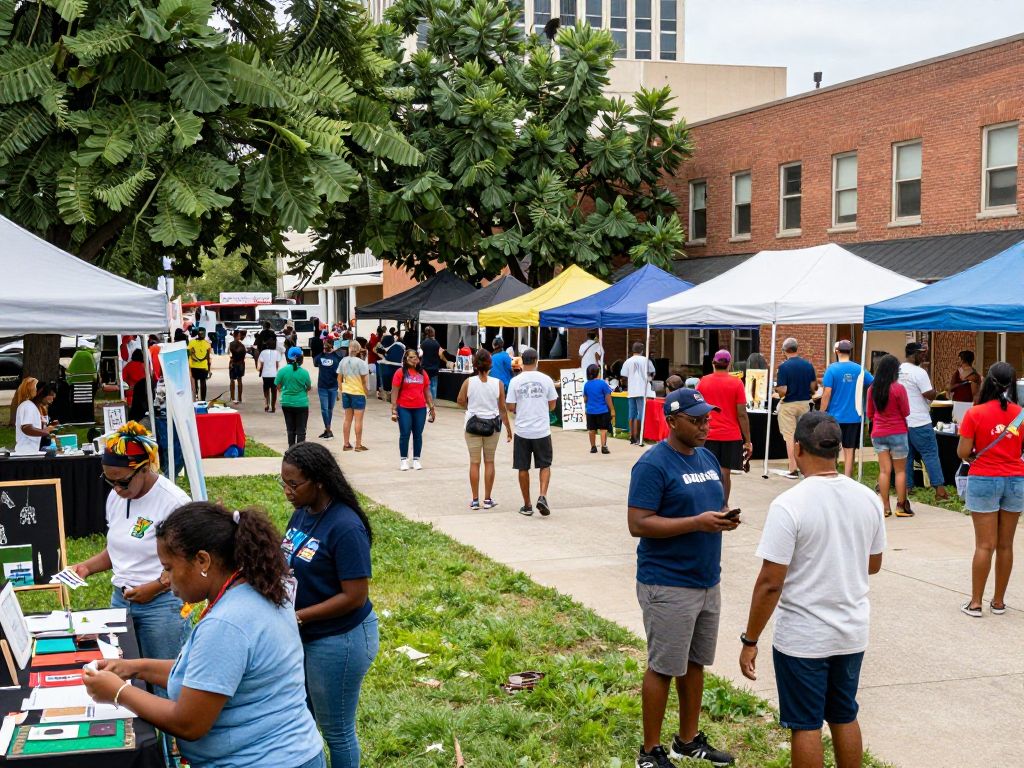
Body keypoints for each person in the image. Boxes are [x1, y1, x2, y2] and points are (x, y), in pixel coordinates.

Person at [83, 502, 327, 768]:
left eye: (169, 568)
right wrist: (133, 668)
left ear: (202, 560)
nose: (165, 579)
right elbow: (208, 676)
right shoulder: (260, 591)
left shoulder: (227, 623)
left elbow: (188, 723)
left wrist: (118, 692)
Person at [739, 412, 885, 768]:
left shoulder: (789, 504)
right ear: (837, 449)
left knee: (805, 724)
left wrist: (750, 639)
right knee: (844, 714)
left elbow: (770, 582)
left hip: (804, 637)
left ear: (798, 448)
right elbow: (874, 564)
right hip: (851, 632)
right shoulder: (868, 498)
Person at [627, 388, 738, 768]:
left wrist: (722, 516)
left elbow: (709, 503)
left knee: (694, 664)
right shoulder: (653, 465)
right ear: (672, 421)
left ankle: (688, 740)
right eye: (697, 419)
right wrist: (697, 522)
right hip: (668, 582)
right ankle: (650, 751)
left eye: (707, 417)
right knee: (663, 666)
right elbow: (638, 523)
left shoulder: (705, 457)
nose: (706, 425)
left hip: (707, 578)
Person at [279, 443, 378, 767]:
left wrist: (299, 617)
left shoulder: (345, 526)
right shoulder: (302, 513)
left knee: (336, 731)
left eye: (294, 484)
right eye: (284, 483)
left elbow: (354, 596)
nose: (287, 491)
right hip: (305, 636)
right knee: (303, 720)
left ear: (319, 481)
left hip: (339, 640)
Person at [71, 423, 190, 684]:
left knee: (166, 683)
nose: (115, 488)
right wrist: (87, 567)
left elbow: (188, 564)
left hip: (163, 607)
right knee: (128, 681)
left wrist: (155, 587)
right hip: (121, 601)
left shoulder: (174, 503)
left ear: (145, 468)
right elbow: (118, 549)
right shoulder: (117, 497)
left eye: (122, 480)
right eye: (109, 480)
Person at [957, 362, 1024, 618]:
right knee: (1006, 545)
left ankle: (975, 603)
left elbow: (963, 452)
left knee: (985, 545)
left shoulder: (975, 413)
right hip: (1016, 479)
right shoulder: (1021, 414)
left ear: (987, 382)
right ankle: (998, 602)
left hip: (984, 477)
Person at [457, 349, 512, 509]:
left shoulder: (469, 382)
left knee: (474, 462)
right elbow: (502, 409)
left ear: (475, 364)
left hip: (472, 425)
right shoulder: (498, 384)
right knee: (489, 461)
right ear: (490, 364)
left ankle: (475, 500)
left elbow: (460, 400)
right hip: (492, 427)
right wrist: (508, 428)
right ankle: (487, 499)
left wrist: (471, 408)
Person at [506, 347, 557, 517]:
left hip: (522, 430)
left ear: (521, 362)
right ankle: (542, 496)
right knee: (545, 464)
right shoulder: (546, 379)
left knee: (522, 467)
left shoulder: (515, 381)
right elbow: (552, 404)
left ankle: (527, 505)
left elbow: (510, 406)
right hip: (542, 430)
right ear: (536, 361)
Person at [697, 350, 752, 505]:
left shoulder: (703, 382)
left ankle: (706, 504)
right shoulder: (736, 383)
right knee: (725, 473)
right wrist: (748, 440)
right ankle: (723, 505)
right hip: (731, 435)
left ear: (713, 363)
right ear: (730, 364)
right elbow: (742, 413)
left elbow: (697, 408)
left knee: (706, 472)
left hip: (708, 434)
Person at [900, 342, 949, 501]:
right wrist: (935, 391)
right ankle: (940, 491)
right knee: (930, 454)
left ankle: (907, 487)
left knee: (906, 456)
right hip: (920, 420)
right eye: (921, 353)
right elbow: (929, 394)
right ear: (913, 354)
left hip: (902, 421)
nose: (924, 356)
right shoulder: (919, 372)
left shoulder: (897, 370)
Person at [866, 354, 912, 518]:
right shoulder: (899, 388)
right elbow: (906, 412)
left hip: (879, 432)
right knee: (900, 471)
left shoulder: (872, 389)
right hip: (898, 432)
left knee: (884, 471)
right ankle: (901, 506)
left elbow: (870, 413)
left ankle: (885, 507)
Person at [820, 340, 874, 477]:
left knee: (831, 448)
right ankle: (848, 477)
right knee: (850, 450)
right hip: (854, 415)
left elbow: (827, 393)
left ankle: (831, 473)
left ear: (837, 351)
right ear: (850, 352)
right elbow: (873, 383)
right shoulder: (859, 369)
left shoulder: (831, 369)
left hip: (834, 417)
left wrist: (821, 412)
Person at [775, 337, 818, 480]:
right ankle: (806, 467)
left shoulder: (783, 367)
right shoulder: (808, 365)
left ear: (784, 351)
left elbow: (783, 390)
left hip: (789, 405)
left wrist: (776, 390)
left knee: (790, 437)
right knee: (804, 437)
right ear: (797, 348)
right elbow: (814, 387)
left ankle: (793, 468)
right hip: (805, 403)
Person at [391, 348, 435, 471]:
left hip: (420, 408)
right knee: (404, 434)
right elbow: (395, 391)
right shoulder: (400, 373)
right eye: (410, 357)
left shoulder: (423, 373)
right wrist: (394, 407)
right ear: (405, 359)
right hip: (404, 407)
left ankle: (416, 459)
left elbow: (427, 391)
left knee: (418, 434)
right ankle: (404, 460)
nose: (413, 359)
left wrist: (431, 407)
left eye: (415, 357)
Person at [276, 346, 312, 447]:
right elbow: (308, 387)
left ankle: (291, 450)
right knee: (301, 430)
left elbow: (278, 385)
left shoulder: (282, 371)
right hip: (301, 403)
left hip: (286, 402)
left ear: (288, 358)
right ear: (301, 358)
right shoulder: (304, 372)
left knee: (290, 429)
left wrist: (284, 391)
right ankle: (300, 451)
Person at [621, 342, 655, 445]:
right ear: (642, 350)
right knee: (642, 413)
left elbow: (623, 374)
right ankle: (640, 437)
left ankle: (632, 437)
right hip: (643, 390)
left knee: (632, 413)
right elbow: (652, 373)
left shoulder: (628, 361)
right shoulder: (646, 360)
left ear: (632, 350)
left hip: (632, 389)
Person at [338, 341, 370, 452]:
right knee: (358, 420)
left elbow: (339, 378)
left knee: (347, 419)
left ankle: (346, 444)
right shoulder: (361, 363)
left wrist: (342, 390)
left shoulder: (343, 361)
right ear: (358, 349)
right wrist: (366, 392)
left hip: (346, 392)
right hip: (358, 393)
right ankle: (358, 445)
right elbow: (364, 381)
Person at [15, 380, 58, 453]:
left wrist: (48, 427)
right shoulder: (28, 406)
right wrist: (46, 432)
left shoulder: (35, 408)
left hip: (32, 451)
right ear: (42, 394)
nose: (52, 400)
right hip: (25, 452)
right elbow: (26, 428)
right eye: (52, 396)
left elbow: (35, 428)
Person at [315, 339, 345, 441]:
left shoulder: (336, 356)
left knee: (328, 409)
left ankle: (327, 428)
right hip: (325, 386)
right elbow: (315, 361)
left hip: (330, 386)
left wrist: (334, 351)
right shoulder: (326, 357)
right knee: (326, 409)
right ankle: (328, 429)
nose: (326, 347)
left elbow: (342, 355)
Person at [583, 363, 613, 454]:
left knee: (591, 430)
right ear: (598, 373)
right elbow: (608, 397)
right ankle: (604, 446)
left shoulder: (586, 385)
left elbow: (585, 399)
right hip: (602, 410)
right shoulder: (602, 383)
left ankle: (593, 447)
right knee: (603, 429)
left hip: (590, 411)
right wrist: (612, 409)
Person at [187, 327, 213, 401]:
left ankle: (195, 397)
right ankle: (203, 400)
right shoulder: (207, 344)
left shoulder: (191, 342)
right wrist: (209, 370)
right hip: (203, 367)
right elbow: (208, 358)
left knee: (194, 383)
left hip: (194, 366)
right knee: (203, 382)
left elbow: (189, 354)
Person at [419, 326, 444, 401]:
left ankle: (426, 399)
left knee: (426, 384)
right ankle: (433, 400)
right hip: (434, 367)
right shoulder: (437, 344)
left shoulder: (423, 343)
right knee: (434, 385)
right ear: (434, 333)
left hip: (425, 367)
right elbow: (440, 356)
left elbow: (420, 354)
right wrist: (442, 352)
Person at [380, 333, 405, 404]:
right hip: (396, 370)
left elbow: (393, 359)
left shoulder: (395, 348)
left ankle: (392, 400)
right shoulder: (397, 346)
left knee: (393, 386)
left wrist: (384, 356)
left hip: (393, 370)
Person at [258, 344, 281, 413]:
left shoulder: (262, 352)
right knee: (274, 391)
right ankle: (273, 406)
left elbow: (261, 364)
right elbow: (277, 364)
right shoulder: (277, 352)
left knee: (266, 389)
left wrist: (261, 370)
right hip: (274, 374)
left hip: (265, 374)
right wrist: (275, 371)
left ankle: (266, 404)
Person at [228, 330, 247, 404]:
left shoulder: (231, 344)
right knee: (239, 380)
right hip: (241, 363)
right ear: (237, 336)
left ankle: (233, 398)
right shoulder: (242, 345)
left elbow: (230, 355)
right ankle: (239, 398)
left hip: (233, 363)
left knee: (232, 380)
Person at [368, 326, 384, 400]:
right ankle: (377, 391)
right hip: (377, 361)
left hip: (371, 360)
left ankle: (375, 391)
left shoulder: (373, 338)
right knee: (378, 376)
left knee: (372, 376)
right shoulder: (378, 339)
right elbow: (375, 350)